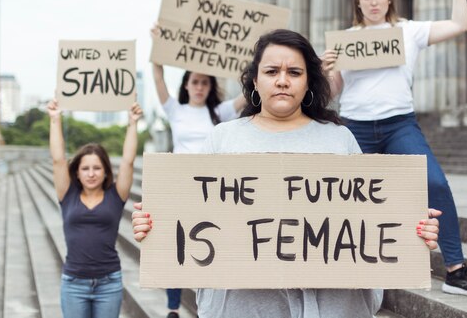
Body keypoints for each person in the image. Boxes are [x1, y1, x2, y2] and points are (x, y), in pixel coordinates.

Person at [134, 29, 441, 318]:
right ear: (255, 81)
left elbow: (371, 219)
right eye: (271, 72)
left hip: (332, 307)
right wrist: (154, 225)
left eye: (294, 72)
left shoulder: (339, 139)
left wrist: (411, 227)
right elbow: (192, 218)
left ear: (308, 82)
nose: (282, 80)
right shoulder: (222, 138)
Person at [321, 0, 467, 298]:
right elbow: (333, 93)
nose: (373, 1)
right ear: (358, 1)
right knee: (344, 195)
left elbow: (460, 24)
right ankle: (345, 270)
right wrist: (327, 68)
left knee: (434, 183)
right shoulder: (345, 40)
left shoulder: (409, 31)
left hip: (399, 125)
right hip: (355, 127)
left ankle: (455, 271)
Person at [151, 24, 247, 318]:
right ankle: (172, 309)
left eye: (205, 82)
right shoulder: (175, 110)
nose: (199, 86)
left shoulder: (220, 113)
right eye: (195, 82)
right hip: (179, 186)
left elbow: (249, 93)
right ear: (187, 85)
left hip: (209, 188)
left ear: (210, 86)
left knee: (208, 241)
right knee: (174, 245)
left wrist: (252, 61)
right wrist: (158, 46)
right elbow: (157, 76)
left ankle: (208, 305)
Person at [47, 99, 143, 318]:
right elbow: (58, 160)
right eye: (85, 168)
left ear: (106, 171)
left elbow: (128, 162)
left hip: (108, 283)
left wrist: (132, 123)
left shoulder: (116, 195)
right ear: (77, 172)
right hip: (73, 284)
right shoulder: (67, 194)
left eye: (97, 168)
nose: (91, 173)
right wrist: (55, 119)